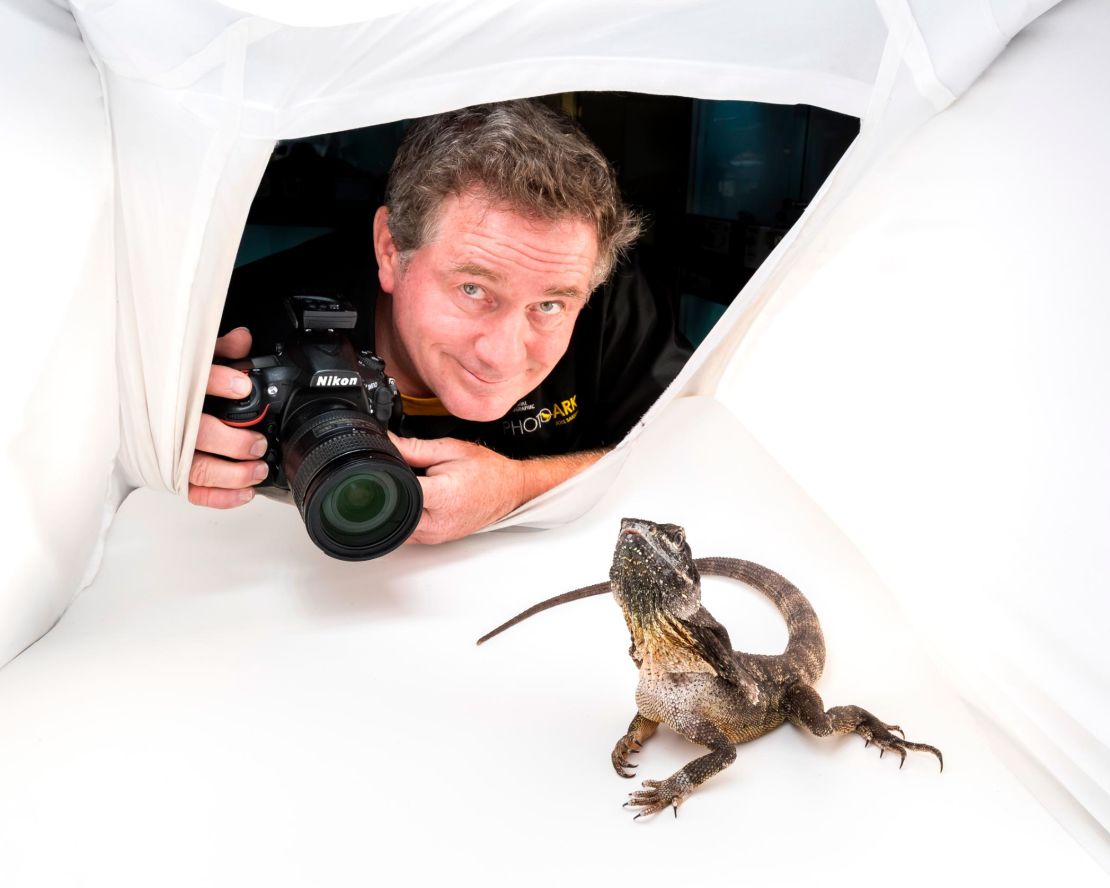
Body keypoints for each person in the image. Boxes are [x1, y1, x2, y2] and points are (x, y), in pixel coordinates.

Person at [191, 100, 691, 543]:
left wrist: (520, 486)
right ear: (391, 249)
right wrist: (167, 447)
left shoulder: (609, 295)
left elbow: (702, 448)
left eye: (549, 307)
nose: (501, 354)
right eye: (474, 290)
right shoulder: (237, 330)